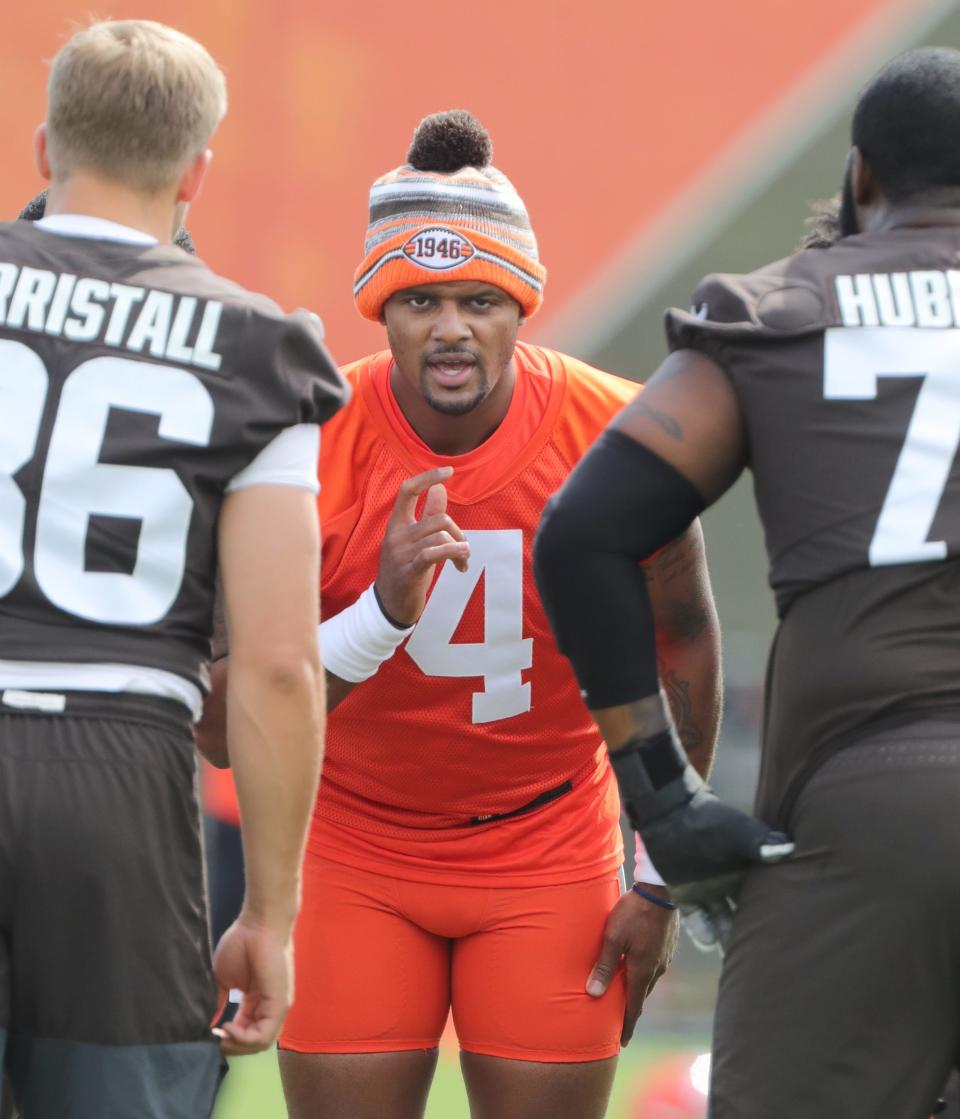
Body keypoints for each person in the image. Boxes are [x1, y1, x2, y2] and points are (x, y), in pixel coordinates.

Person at [200, 108, 721, 1119]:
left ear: (521, 305)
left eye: (480, 298)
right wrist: (382, 615)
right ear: (379, 309)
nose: (449, 327)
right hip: (353, 837)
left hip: (549, 839)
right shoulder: (306, 441)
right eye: (419, 299)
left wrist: (658, 877)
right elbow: (223, 729)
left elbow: (685, 647)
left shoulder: (619, 435)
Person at [534, 45, 960, 1119]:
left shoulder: (780, 310)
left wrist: (661, 799)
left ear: (860, 178)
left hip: (867, 807)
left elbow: (583, 532)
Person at [0, 19, 347, 1118]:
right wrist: (274, 915)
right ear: (199, 168)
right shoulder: (260, 348)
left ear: (45, 146)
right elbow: (281, 666)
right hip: (118, 785)